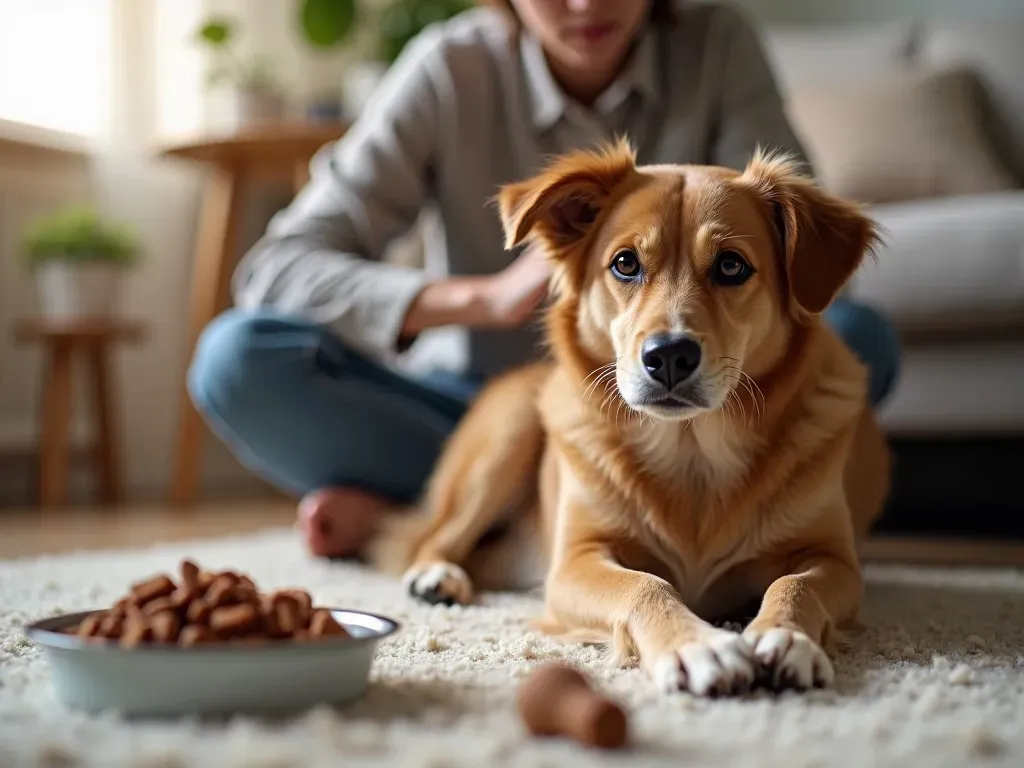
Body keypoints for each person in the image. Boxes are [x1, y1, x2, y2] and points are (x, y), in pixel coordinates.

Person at [187, 0, 901, 558]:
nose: (586, 6)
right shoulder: (447, 69)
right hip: (463, 412)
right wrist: (481, 299)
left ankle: (443, 522)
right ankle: (499, 512)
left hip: (680, 430)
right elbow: (274, 268)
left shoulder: (716, 47)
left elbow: (807, 263)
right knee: (238, 359)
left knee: (856, 336)